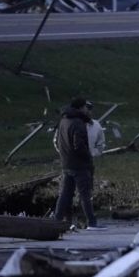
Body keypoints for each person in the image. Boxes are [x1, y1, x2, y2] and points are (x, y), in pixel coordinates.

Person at [53, 97, 105, 230]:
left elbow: (58, 141)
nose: (87, 110)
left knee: (65, 194)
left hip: (67, 163)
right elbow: (79, 145)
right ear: (81, 108)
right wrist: (88, 157)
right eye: (86, 107)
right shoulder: (78, 123)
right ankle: (92, 222)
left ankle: (56, 220)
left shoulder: (64, 120)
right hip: (79, 164)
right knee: (85, 194)